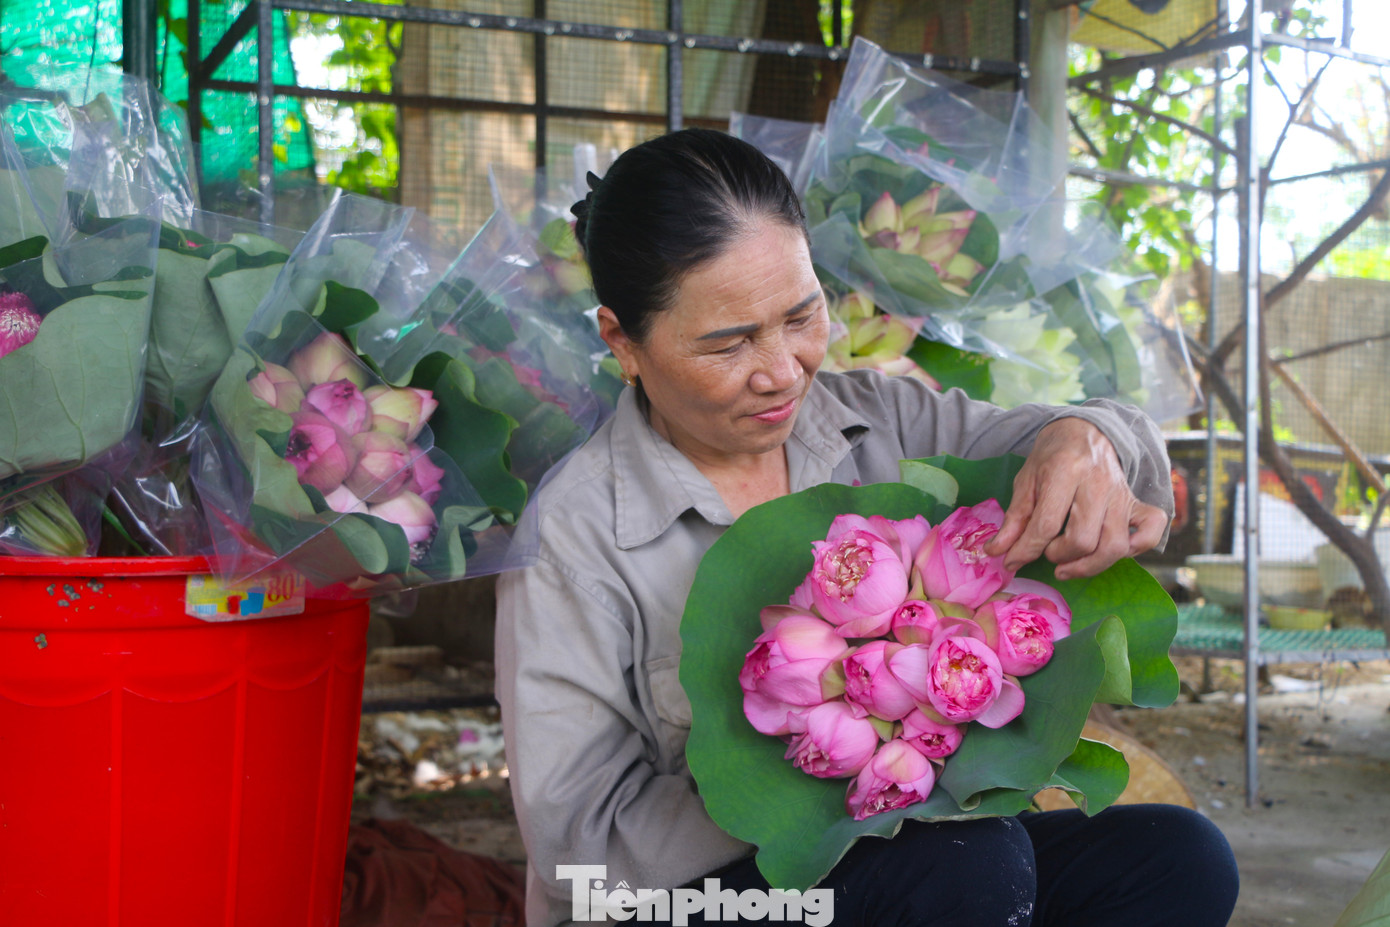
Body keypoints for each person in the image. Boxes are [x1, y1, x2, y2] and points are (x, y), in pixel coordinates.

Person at [495, 128, 1238, 927]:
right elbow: (580, 850)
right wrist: (838, 755)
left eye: (800, 315)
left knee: (1177, 856)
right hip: (677, 904)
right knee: (966, 865)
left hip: (922, 867)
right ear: (622, 342)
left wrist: (1090, 439)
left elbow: (1075, 437)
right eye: (729, 342)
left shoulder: (879, 420)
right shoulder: (574, 538)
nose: (782, 370)